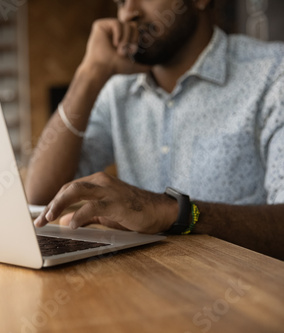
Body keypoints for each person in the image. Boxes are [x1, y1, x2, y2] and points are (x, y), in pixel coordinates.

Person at [26, 0, 284, 260]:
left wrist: (173, 212)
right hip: (142, 291)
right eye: (121, 1)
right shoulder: (118, 88)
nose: (129, 13)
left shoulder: (273, 73)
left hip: (245, 293)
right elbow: (42, 197)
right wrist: (90, 73)